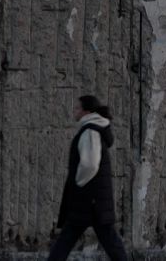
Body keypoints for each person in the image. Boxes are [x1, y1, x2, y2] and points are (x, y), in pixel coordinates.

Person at [47, 94, 129, 261]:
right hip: (93, 199)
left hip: (89, 198)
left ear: (86, 111)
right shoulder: (93, 128)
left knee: (68, 238)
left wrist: (78, 183)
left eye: (77, 108)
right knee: (105, 238)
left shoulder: (90, 130)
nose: (74, 111)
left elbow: (90, 164)